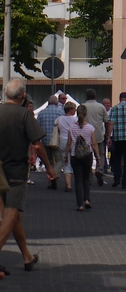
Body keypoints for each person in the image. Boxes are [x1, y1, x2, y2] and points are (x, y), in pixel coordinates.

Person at [0, 78, 58, 277]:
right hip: (15, 173)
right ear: (23, 96)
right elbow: (37, 144)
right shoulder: (25, 115)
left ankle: (27, 256)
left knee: (15, 217)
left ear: (6, 94)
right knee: (11, 213)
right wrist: (49, 168)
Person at [66, 104, 100, 211]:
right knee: (86, 178)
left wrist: (66, 156)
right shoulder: (90, 128)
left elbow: (69, 143)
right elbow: (94, 144)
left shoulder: (71, 127)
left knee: (78, 179)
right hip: (87, 155)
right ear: (86, 114)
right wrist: (98, 157)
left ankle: (79, 204)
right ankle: (87, 200)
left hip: (75, 155)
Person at [107, 92, 126, 190]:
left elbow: (110, 123)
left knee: (117, 159)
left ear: (120, 98)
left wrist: (108, 137)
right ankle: (125, 182)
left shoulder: (114, 109)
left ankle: (117, 178)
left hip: (117, 138)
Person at [82, 89, 109, 186]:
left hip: (85, 135)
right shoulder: (101, 107)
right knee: (101, 154)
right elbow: (107, 121)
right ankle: (100, 169)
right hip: (98, 134)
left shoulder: (83, 106)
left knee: (87, 156)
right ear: (95, 96)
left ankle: (89, 176)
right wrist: (108, 135)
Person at [36, 95, 62, 191]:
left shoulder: (42, 113)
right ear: (56, 103)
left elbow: (37, 128)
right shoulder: (60, 112)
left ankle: (50, 180)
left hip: (45, 140)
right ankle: (55, 175)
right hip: (56, 141)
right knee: (59, 160)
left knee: (49, 162)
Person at [57, 100, 78, 192]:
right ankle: (74, 182)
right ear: (70, 110)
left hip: (62, 140)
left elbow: (57, 130)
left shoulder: (59, 119)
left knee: (66, 163)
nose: (75, 111)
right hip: (73, 141)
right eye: (74, 109)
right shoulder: (75, 120)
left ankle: (68, 185)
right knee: (74, 162)